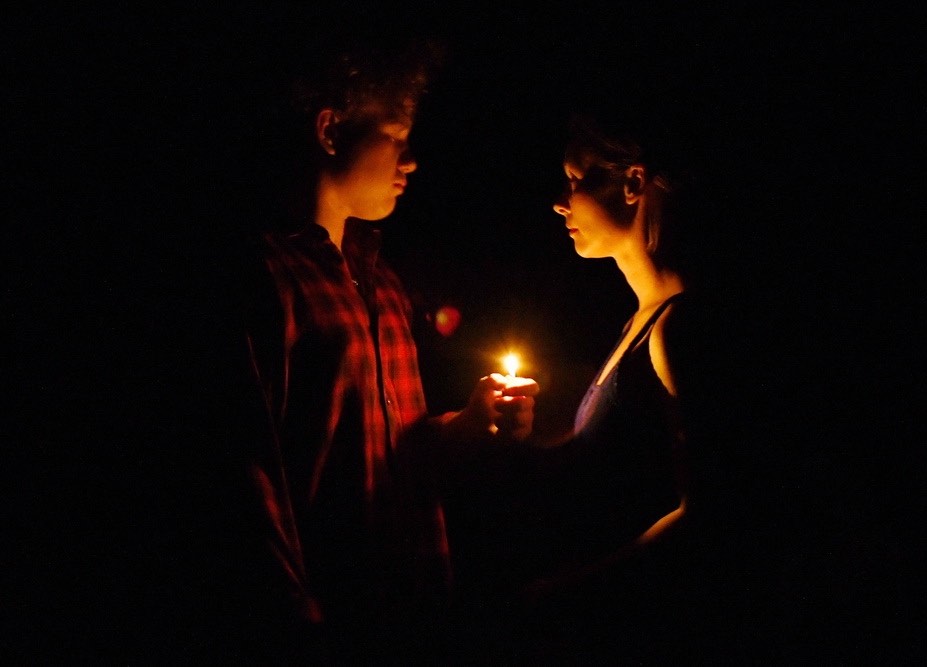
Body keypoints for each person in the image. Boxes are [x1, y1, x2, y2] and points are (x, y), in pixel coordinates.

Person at [233, 38, 539, 663]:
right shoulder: (265, 279)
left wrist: (467, 428)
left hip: (416, 616)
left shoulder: (381, 281)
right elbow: (248, 470)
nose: (412, 160)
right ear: (329, 131)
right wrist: (298, 622)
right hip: (334, 624)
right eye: (396, 136)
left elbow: (391, 451)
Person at [450, 111, 705, 662]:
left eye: (575, 180)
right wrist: (514, 437)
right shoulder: (639, 322)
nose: (559, 202)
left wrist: (564, 595)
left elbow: (708, 514)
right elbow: (610, 472)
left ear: (633, 183)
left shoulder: (677, 329)